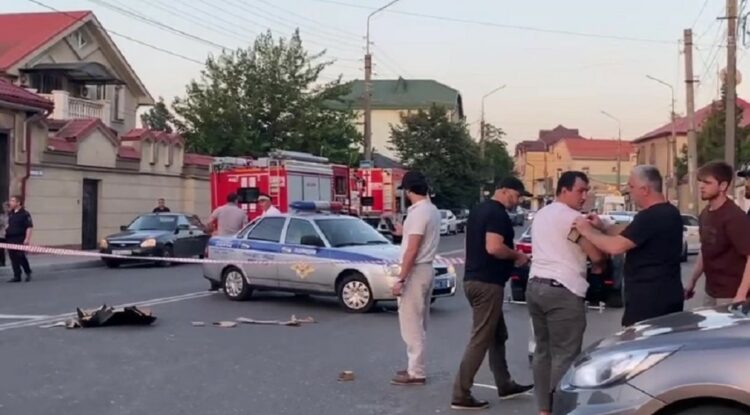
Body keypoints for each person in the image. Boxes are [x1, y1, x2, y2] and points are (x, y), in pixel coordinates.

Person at [451, 177, 534, 410]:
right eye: (517, 195)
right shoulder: (497, 214)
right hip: (487, 284)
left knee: (498, 335)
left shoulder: (479, 210)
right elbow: (494, 247)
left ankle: (504, 383)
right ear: (504, 191)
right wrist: (518, 256)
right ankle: (461, 393)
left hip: (474, 280)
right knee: (481, 338)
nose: (518, 201)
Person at [526, 171, 605, 415]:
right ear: (564, 190)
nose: (584, 196)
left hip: (535, 286)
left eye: (587, 191)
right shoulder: (574, 219)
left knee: (542, 351)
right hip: (564, 289)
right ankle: (559, 408)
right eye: (580, 190)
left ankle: (543, 408)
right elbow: (596, 255)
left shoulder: (541, 214)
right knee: (565, 354)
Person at [574, 165, 684, 327]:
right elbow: (630, 234)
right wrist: (601, 226)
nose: (629, 192)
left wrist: (587, 231)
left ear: (645, 189)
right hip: (667, 294)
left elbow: (615, 246)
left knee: (640, 341)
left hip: (650, 301)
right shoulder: (669, 212)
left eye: (631, 187)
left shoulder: (651, 217)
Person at [390, 171, 441, 386]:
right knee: (419, 321)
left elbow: (412, 249)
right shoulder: (432, 210)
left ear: (409, 190)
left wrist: (401, 278)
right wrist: (404, 232)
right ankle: (414, 365)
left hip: (416, 271)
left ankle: (416, 371)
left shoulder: (418, 213)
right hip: (427, 269)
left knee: (411, 323)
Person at [685, 161, 750, 305]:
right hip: (711, 292)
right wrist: (692, 282)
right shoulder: (704, 214)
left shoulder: (734, 217)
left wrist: (741, 294)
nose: (701, 186)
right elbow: (705, 250)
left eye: (707, 183)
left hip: (731, 295)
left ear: (723, 186)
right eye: (701, 181)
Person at [5, 195, 33, 283]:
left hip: (20, 238)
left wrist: (27, 239)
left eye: (13, 201)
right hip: (10, 238)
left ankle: (28, 272)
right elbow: (8, 223)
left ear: (18, 203)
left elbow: (29, 227)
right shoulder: (11, 213)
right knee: (13, 257)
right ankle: (17, 276)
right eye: (10, 201)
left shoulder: (25, 214)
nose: (10, 203)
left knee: (21, 256)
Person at [0, 201, 8, 267]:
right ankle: (2, 262)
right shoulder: (1, 216)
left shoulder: (12, 215)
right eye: (4, 207)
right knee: (1, 249)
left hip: (10, 235)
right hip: (2, 235)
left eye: (6, 207)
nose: (5, 208)